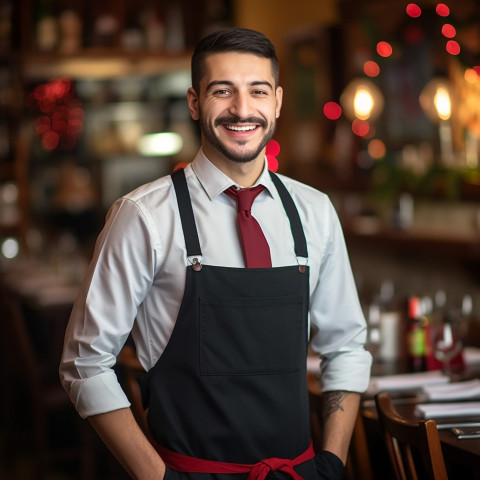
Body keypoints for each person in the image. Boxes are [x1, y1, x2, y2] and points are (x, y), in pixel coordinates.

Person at [59, 27, 372, 480]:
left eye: (257, 91)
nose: (242, 110)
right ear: (193, 102)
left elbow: (345, 347)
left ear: (278, 101)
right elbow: (85, 364)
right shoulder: (143, 216)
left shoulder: (315, 212)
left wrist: (332, 462)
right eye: (222, 91)